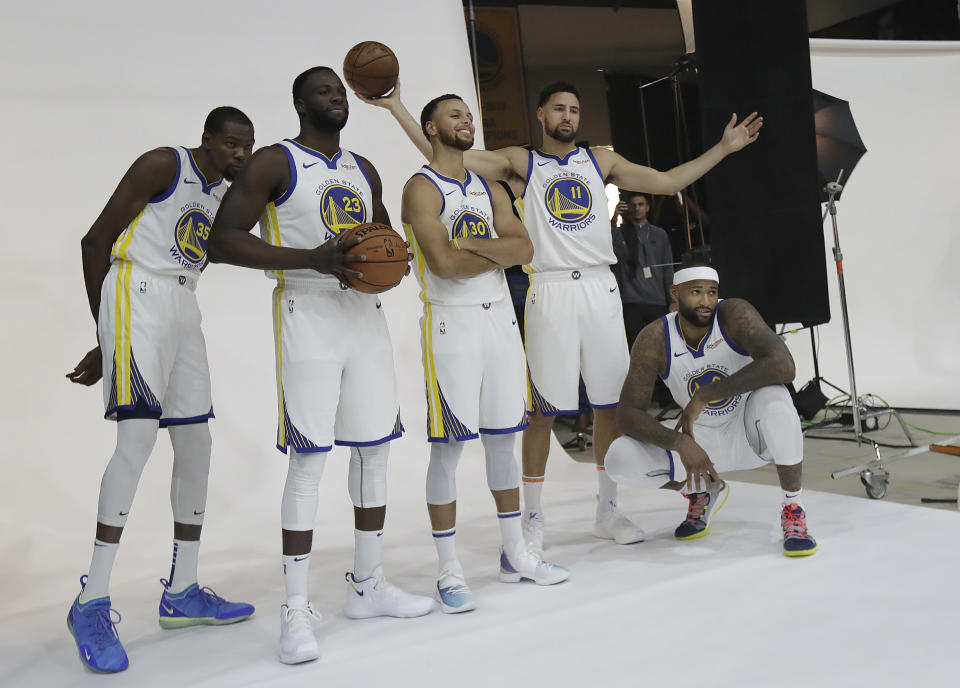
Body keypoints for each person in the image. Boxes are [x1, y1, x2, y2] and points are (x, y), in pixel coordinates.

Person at [361, 81, 763, 555]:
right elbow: (447, 157)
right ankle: (533, 516)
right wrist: (397, 108)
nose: (568, 116)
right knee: (542, 409)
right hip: (549, 288)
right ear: (541, 114)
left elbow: (669, 182)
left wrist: (724, 147)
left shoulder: (602, 162)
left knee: (609, 406)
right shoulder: (520, 161)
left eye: (574, 109)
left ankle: (606, 510)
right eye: (559, 109)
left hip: (600, 287)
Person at [206, 66, 432, 665]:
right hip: (306, 310)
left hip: (363, 313)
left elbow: (382, 237)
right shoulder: (275, 162)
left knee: (374, 449)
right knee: (309, 459)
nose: (337, 95)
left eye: (340, 89)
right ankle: (296, 607)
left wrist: (389, 255)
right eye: (324, 89)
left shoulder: (364, 168)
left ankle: (368, 585)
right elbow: (223, 239)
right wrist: (313, 258)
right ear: (300, 101)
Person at [64, 107, 257, 673]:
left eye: (247, 146)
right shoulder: (163, 165)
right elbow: (94, 241)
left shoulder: (224, 195)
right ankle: (91, 601)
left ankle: (183, 590)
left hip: (181, 304)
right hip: (135, 291)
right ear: (206, 139)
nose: (240, 155)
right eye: (230, 144)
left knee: (197, 445)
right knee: (136, 445)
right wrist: (105, 330)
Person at [402, 94, 569, 613]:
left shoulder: (488, 186)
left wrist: (469, 249)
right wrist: (488, 250)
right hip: (450, 323)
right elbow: (443, 266)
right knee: (448, 448)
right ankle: (448, 568)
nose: (466, 121)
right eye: (455, 115)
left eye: (469, 115)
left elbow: (524, 250)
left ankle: (514, 553)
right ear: (432, 127)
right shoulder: (419, 188)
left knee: (504, 441)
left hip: (499, 321)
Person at [603, 261, 818, 557]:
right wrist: (679, 443)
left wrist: (705, 394)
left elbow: (784, 365)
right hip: (698, 441)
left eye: (711, 292)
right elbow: (627, 415)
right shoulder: (654, 338)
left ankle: (793, 507)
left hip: (750, 431)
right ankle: (701, 490)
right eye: (695, 292)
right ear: (675, 293)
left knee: (776, 400)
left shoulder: (733, 314)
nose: (706, 301)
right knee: (618, 458)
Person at [611, 192, 674, 349]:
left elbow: (668, 268)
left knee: (663, 345)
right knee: (636, 347)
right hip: (631, 300)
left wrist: (673, 300)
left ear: (647, 207)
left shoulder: (659, 234)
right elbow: (608, 243)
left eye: (641, 204)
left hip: (657, 299)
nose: (637, 208)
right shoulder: (621, 232)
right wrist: (613, 218)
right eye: (634, 205)